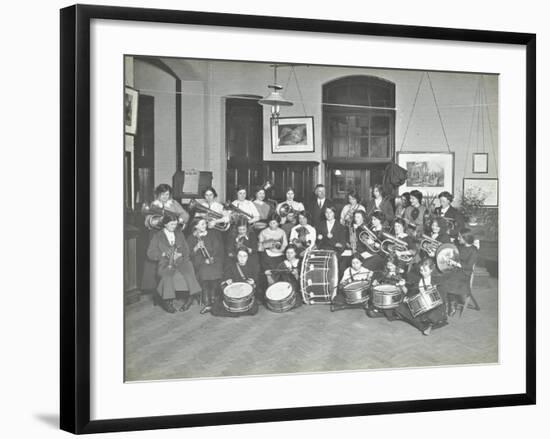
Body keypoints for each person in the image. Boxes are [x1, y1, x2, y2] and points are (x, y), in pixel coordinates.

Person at [146, 214, 202, 313]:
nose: (174, 227)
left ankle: (190, 299)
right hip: (165, 262)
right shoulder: (158, 236)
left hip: (182, 261)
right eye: (172, 224)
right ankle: (168, 301)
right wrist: (163, 254)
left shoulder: (179, 233)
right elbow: (150, 253)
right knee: (167, 276)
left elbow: (186, 250)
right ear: (165, 224)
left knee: (189, 273)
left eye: (175, 224)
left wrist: (180, 255)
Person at [141, 184, 191, 293]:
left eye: (167, 194)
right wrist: (156, 221)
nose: (165, 196)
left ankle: (173, 287)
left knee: (173, 258)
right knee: (158, 260)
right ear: (158, 194)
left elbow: (185, 215)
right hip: (157, 234)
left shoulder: (173, 203)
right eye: (162, 194)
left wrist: (180, 221)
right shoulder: (153, 205)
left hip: (173, 232)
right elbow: (147, 221)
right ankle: (157, 289)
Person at [394, 258, 448, 336]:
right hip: (420, 306)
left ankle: (422, 323)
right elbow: (409, 294)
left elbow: (442, 299)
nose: (422, 273)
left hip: (434, 307)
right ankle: (425, 326)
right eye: (421, 270)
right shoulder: (417, 280)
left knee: (430, 316)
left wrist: (432, 292)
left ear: (431, 270)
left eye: (425, 270)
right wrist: (402, 286)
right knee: (399, 308)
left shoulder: (438, 281)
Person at [187, 217, 225, 314]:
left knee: (215, 270)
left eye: (205, 224)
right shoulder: (191, 238)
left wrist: (211, 258)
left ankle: (211, 297)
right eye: (202, 224)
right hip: (200, 261)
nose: (205, 226)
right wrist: (196, 248)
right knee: (205, 271)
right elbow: (189, 254)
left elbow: (217, 248)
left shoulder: (212, 234)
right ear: (196, 226)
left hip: (214, 259)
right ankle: (207, 299)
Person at [438, 228, 479, 316]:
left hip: (465, 273)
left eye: (460, 237)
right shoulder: (460, 247)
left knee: (450, 279)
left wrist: (456, 263)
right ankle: (448, 303)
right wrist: (449, 259)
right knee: (442, 276)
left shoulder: (474, 250)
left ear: (466, 238)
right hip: (456, 270)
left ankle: (452, 303)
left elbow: (468, 266)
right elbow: (454, 257)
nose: (458, 238)